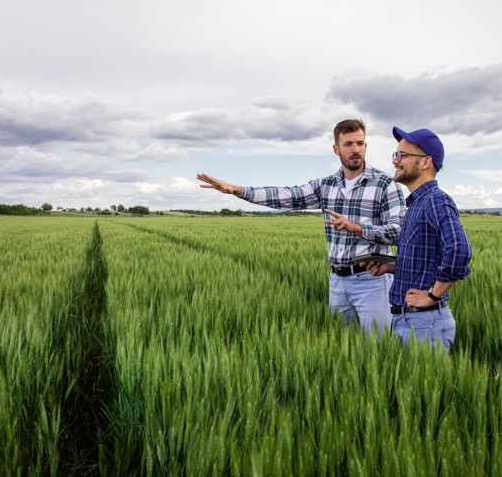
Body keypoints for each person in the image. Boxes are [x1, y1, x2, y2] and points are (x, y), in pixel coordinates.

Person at [197, 118, 406, 335]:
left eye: (360, 143)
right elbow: (286, 195)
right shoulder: (326, 185)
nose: (356, 149)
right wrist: (238, 190)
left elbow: (400, 231)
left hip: (372, 281)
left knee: (378, 348)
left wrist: (358, 229)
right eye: (348, 144)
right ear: (336, 149)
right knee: (341, 345)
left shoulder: (385, 184)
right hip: (337, 282)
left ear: (366, 146)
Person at [364, 126, 471, 350]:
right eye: (395, 154)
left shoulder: (436, 200)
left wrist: (432, 295)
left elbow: (460, 251)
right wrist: (390, 267)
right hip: (410, 321)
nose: (395, 161)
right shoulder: (416, 204)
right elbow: (425, 258)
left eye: (402, 155)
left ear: (425, 162)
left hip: (425, 323)